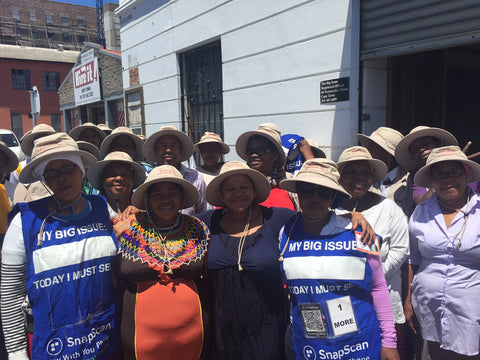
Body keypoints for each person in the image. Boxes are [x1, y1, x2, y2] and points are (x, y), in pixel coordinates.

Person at [1, 133, 120, 359]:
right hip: (52, 346)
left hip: (105, 339)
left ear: (82, 170)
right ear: (45, 180)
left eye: (68, 168)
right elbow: (10, 294)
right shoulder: (23, 222)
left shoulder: (104, 210)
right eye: (52, 173)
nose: (61, 178)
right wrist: (16, 353)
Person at [278, 159, 399, 360]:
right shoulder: (286, 232)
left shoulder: (360, 232)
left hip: (358, 343)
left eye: (324, 192)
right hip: (309, 342)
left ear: (333, 196)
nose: (315, 198)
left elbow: (378, 287)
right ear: (298, 192)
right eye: (307, 190)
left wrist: (389, 342)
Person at [197, 161, 294, 359]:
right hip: (223, 327)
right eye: (230, 189)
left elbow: (316, 220)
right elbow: (172, 222)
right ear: (222, 195)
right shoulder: (207, 221)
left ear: (254, 190)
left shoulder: (276, 218)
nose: (237, 193)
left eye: (244, 187)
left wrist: (352, 216)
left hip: (269, 326)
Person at [113, 165, 211, 360]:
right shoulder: (127, 228)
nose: (165, 199)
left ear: (182, 198)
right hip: (140, 338)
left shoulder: (198, 228)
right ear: (148, 200)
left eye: (172, 193)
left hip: (193, 334)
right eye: (157, 194)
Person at [405, 146, 480, 359]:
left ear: (466, 175)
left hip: (472, 308)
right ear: (431, 181)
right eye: (438, 175)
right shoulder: (421, 211)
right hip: (429, 305)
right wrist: (409, 301)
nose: (447, 180)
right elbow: (413, 259)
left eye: (454, 172)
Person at [337, 146, 410, 360]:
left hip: (385, 303)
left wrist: (371, 276)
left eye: (365, 173)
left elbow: (401, 249)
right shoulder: (331, 210)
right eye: (350, 172)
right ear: (340, 177)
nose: (358, 178)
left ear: (372, 177)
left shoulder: (389, 209)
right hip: (344, 307)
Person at [236, 123, 313, 210]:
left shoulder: (289, 183)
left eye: (261, 150)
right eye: (250, 151)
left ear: (275, 154)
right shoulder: (238, 183)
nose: (253, 155)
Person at [143, 125, 210, 214]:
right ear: (155, 150)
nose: (168, 150)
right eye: (162, 146)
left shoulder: (196, 178)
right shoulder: (146, 178)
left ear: (181, 150)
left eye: (173, 146)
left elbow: (203, 212)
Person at [357, 127, 414, 217]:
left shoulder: (409, 182)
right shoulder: (363, 179)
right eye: (368, 146)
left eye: (372, 147)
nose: (368, 151)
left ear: (387, 153)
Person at [394, 126, 457, 206]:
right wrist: (441, 180)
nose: (421, 150)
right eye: (415, 149)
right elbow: (421, 203)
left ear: (439, 143)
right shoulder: (416, 176)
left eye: (426, 143)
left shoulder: (463, 168)